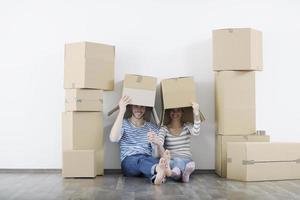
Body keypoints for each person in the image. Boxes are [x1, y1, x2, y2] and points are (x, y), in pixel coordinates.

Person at [109, 95, 170, 184]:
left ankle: (157, 176)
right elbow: (113, 138)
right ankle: (159, 170)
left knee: (155, 160)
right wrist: (122, 110)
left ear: (145, 108)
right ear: (131, 107)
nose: (139, 109)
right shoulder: (123, 124)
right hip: (129, 161)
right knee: (142, 161)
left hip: (148, 158)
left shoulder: (152, 127)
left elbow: (158, 155)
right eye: (136, 106)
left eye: (142, 107)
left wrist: (157, 144)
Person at [148, 102, 201, 182]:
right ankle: (185, 175)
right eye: (173, 110)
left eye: (178, 110)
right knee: (172, 162)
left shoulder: (187, 126)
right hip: (171, 160)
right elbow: (160, 143)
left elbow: (196, 132)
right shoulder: (164, 129)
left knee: (179, 161)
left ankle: (173, 173)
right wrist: (156, 142)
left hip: (185, 158)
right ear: (169, 112)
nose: (175, 113)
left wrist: (196, 114)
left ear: (182, 112)